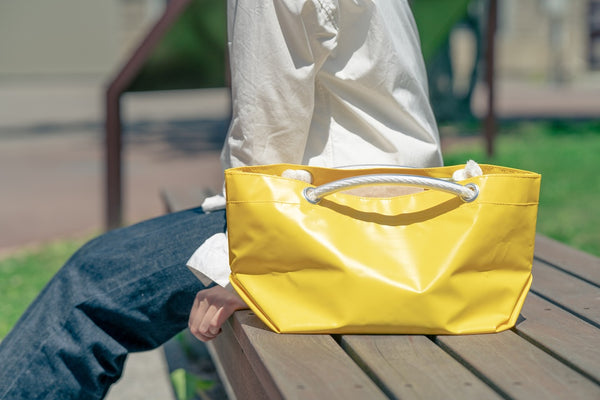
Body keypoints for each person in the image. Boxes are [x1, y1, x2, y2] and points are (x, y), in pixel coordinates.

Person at [0, 0, 442, 398]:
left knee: (89, 286)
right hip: (400, 211)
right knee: (101, 265)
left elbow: (268, 136)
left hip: (326, 219)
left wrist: (255, 272)